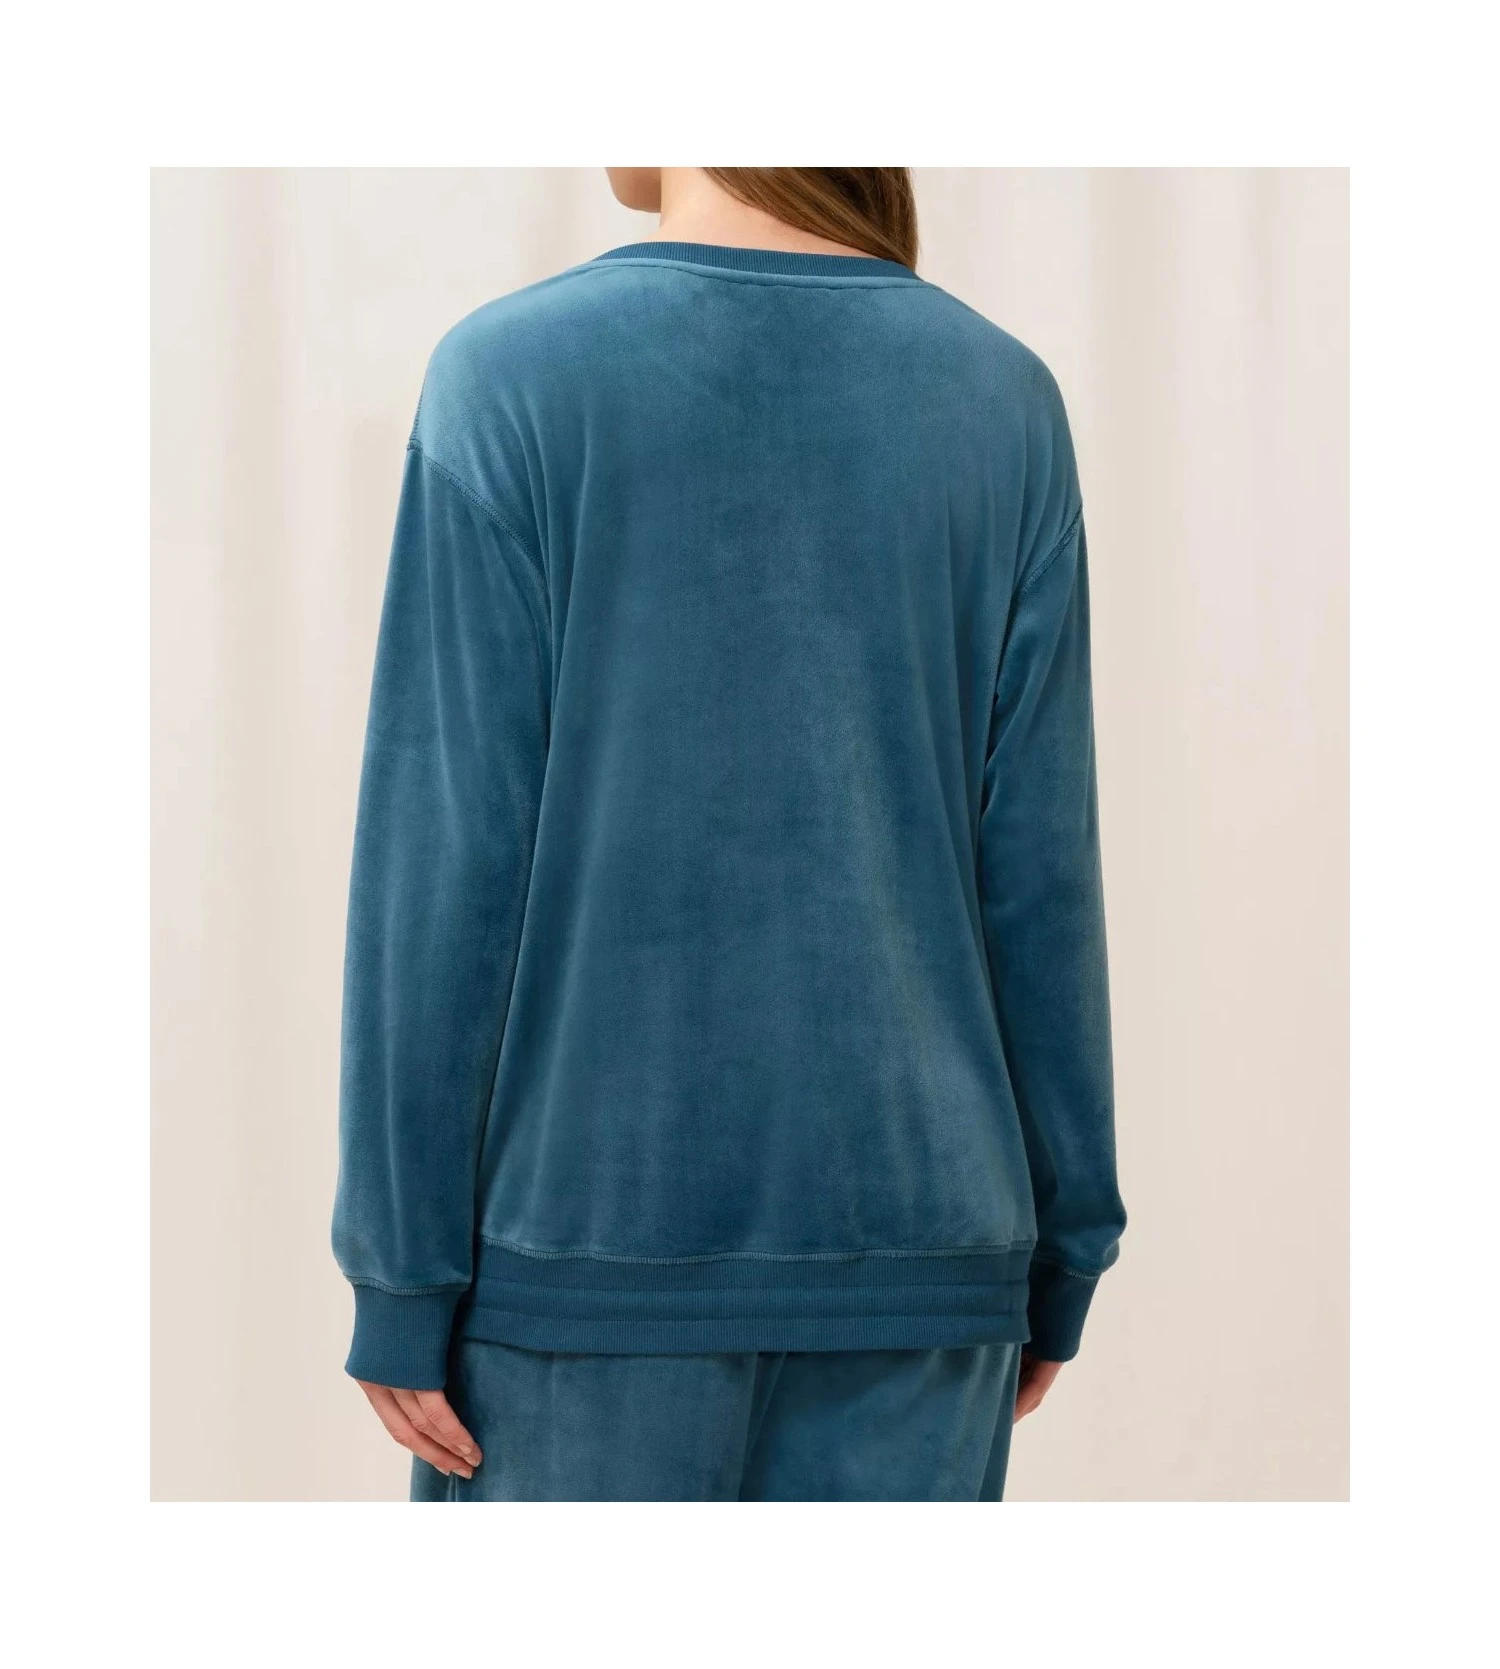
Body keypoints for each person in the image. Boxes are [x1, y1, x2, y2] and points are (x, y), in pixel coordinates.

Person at [331, 167, 1126, 1501]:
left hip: (578, 1283)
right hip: (926, 1276)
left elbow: (444, 865)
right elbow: (1042, 875)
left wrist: (401, 1269)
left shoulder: (512, 377)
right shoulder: (1001, 401)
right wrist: (1063, 1244)